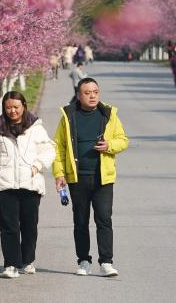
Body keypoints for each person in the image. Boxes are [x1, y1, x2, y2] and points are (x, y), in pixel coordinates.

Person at [53, 77, 129, 278]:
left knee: (104, 218)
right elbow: (58, 147)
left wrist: (109, 145)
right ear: (79, 95)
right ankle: (84, 260)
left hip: (103, 177)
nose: (92, 95)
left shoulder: (109, 114)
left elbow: (123, 140)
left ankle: (106, 262)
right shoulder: (69, 116)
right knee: (80, 221)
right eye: (87, 93)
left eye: (95, 91)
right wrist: (59, 173)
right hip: (77, 178)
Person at [0, 91, 56, 279]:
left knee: (29, 224)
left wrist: (37, 165)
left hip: (30, 183)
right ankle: (11, 264)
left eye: (16, 107)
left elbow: (49, 150)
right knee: (8, 225)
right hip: (5, 185)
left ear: (24, 106)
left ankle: (27, 261)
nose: (12, 111)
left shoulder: (35, 128)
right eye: (8, 107)